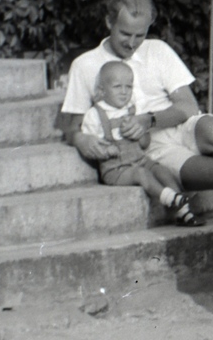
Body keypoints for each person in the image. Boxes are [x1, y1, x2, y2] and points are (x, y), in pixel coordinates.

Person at [59, 0, 213, 221]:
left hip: (182, 127)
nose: (132, 43)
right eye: (125, 33)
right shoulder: (85, 65)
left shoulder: (157, 50)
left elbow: (187, 106)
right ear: (109, 23)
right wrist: (81, 139)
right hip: (152, 149)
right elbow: (71, 127)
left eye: (140, 35)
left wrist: (148, 120)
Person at [80, 61, 204, 226]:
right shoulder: (95, 115)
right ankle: (171, 199)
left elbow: (145, 143)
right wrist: (107, 149)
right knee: (141, 174)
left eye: (128, 87)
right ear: (102, 91)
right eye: (117, 87)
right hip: (116, 169)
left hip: (140, 159)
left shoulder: (132, 111)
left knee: (162, 171)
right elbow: (92, 147)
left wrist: (139, 134)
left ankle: (184, 212)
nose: (124, 92)